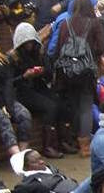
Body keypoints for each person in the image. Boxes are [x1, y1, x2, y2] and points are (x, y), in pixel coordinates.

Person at [53, 0, 104, 157]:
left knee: (73, 105)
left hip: (67, 71)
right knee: (85, 106)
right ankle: (84, 146)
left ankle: (72, 141)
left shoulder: (65, 23)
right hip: (85, 71)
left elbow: (58, 47)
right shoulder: (95, 23)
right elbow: (100, 47)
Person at [9, 21, 63, 158]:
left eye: (31, 42)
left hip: (39, 86)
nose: (29, 45)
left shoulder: (39, 53)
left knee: (60, 102)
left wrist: (42, 71)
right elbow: (10, 82)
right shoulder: (13, 58)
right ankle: (47, 146)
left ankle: (61, 141)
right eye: (26, 43)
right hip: (22, 91)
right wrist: (25, 76)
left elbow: (50, 74)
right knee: (49, 107)